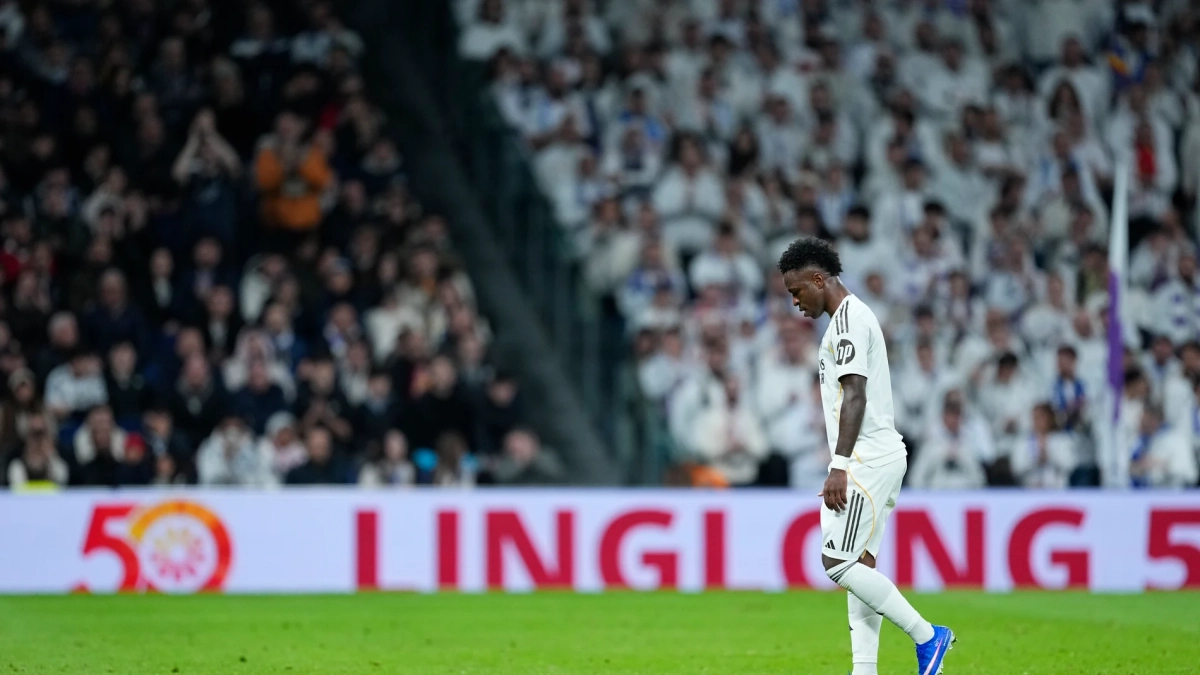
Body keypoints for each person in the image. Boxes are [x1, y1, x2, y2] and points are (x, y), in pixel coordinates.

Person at [777, 237, 954, 675]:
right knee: (860, 568)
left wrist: (838, 466)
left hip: (866, 458)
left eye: (797, 291)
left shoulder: (849, 322)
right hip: (877, 455)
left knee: (836, 563)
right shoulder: (845, 321)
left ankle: (928, 636)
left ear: (819, 279)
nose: (795, 302)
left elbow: (854, 394)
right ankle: (864, 671)